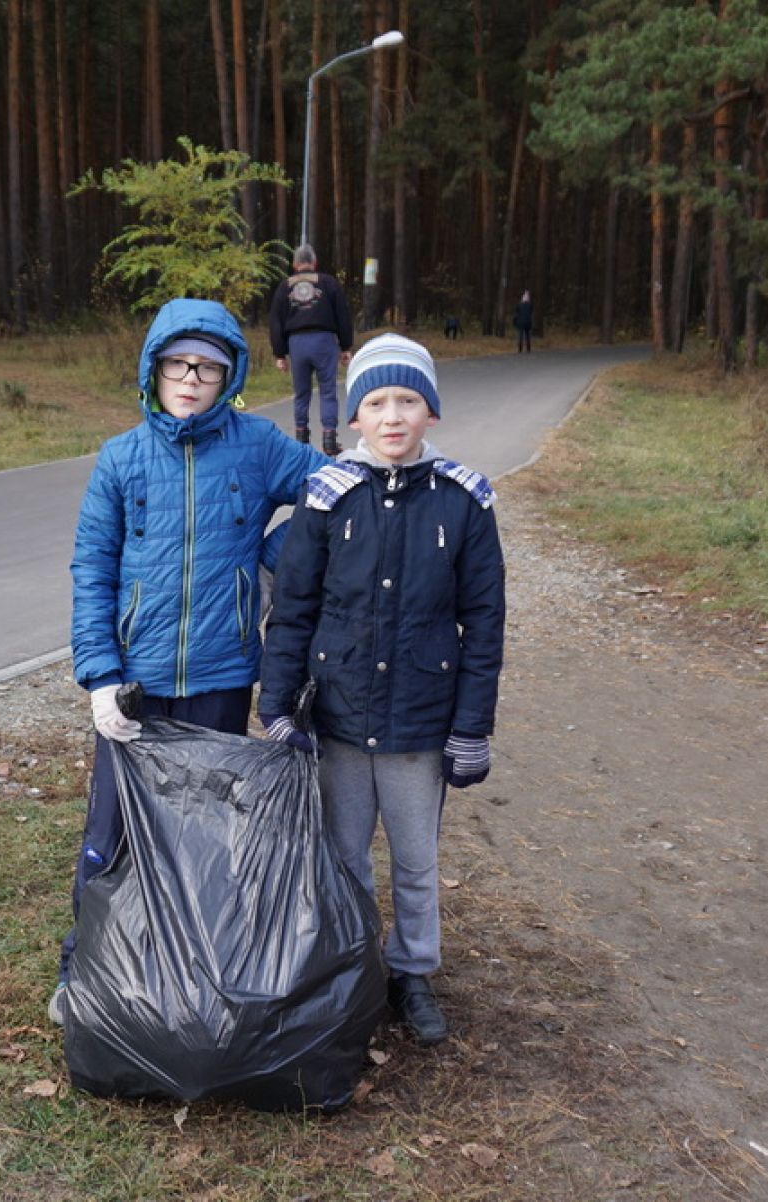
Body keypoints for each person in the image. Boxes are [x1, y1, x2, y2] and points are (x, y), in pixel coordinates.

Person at [57, 297, 329, 1024]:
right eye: (178, 363)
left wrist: (267, 565)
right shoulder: (119, 459)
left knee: (203, 837)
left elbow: (332, 491)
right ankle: (84, 969)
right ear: (154, 368)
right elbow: (93, 567)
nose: (190, 377)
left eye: (207, 367)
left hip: (220, 674)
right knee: (112, 832)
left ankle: (190, 976)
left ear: (228, 375)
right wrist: (101, 677)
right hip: (136, 685)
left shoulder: (258, 445)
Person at [257, 333, 506, 1047]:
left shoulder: (463, 503)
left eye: (408, 400)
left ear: (431, 412)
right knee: (342, 853)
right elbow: (294, 608)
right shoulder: (328, 497)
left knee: (416, 859)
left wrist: (470, 727)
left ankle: (412, 971)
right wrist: (276, 704)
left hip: (420, 723)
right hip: (338, 714)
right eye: (376, 401)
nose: (392, 416)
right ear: (355, 416)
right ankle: (353, 964)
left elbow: (484, 622)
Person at [269, 244, 355, 456]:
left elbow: (275, 322)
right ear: (314, 263)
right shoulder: (328, 282)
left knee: (301, 394)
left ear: (295, 264)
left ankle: (301, 440)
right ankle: (329, 439)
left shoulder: (284, 286)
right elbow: (342, 315)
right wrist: (345, 346)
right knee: (327, 391)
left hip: (296, 343)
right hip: (324, 341)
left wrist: (280, 353)